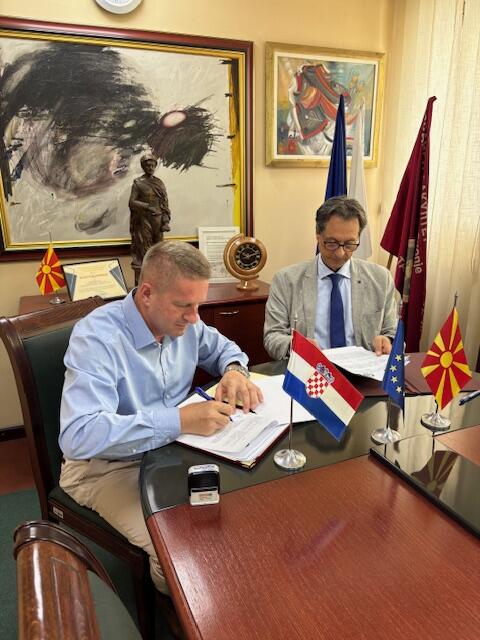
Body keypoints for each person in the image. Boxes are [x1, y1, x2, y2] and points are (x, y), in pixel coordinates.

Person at [59, 241, 263, 597]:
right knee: (179, 554)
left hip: (174, 451)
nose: (194, 318)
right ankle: (179, 614)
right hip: (106, 467)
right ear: (147, 294)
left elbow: (225, 349)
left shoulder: (188, 322)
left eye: (198, 305)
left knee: (244, 514)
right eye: (184, 306)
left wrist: (234, 371)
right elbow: (80, 435)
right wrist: (178, 421)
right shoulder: (97, 338)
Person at [264, 196, 397, 360]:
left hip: (363, 369)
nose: (340, 253)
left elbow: (392, 331)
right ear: (318, 236)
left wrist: (387, 340)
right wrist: (296, 345)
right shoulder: (286, 280)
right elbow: (272, 336)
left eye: (349, 244)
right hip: (311, 368)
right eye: (332, 243)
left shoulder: (381, 278)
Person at [129, 153, 172, 270]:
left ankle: (157, 268)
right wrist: (147, 206)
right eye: (148, 165)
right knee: (145, 244)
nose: (151, 168)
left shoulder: (159, 183)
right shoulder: (138, 183)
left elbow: (164, 202)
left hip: (158, 218)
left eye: (153, 165)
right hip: (144, 219)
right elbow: (132, 202)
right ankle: (147, 269)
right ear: (143, 166)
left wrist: (165, 220)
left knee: (159, 246)